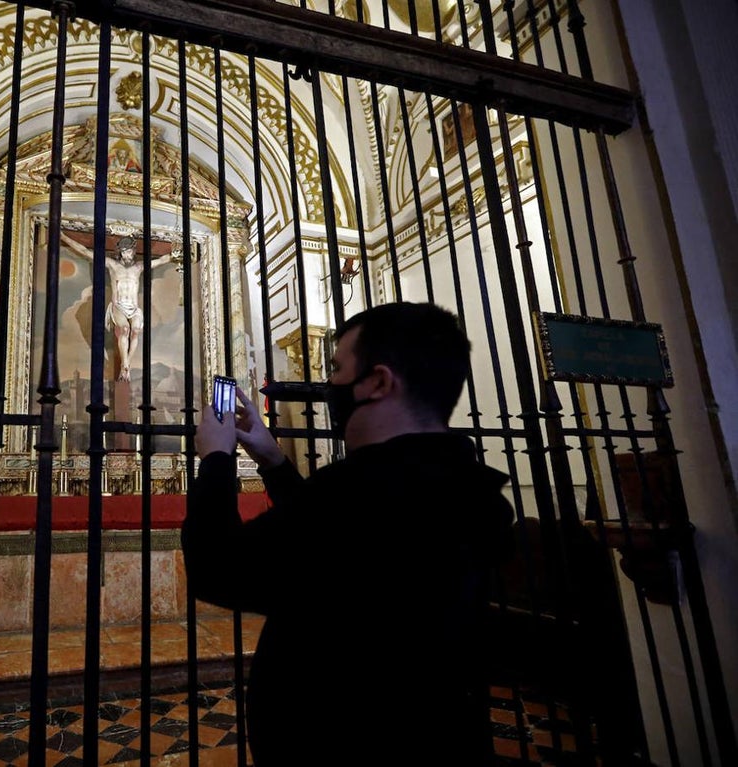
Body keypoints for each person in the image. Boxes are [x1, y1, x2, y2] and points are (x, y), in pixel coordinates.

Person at [181, 301, 515, 765]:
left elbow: (217, 567)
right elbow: (331, 552)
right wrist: (273, 459)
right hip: (437, 735)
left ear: (378, 381)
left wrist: (216, 459)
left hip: (339, 740)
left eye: (338, 368)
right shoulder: (465, 486)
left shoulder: (360, 490)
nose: (330, 384)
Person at [62, 234, 170, 382]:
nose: (129, 254)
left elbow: (161, 260)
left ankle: (126, 364)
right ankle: (125, 365)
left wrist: (175, 255)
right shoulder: (112, 265)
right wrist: (64, 237)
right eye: (126, 251)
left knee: (136, 331)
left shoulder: (138, 267)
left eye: (131, 251)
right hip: (119, 306)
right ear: (120, 252)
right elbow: (85, 251)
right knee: (125, 330)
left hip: (134, 308)